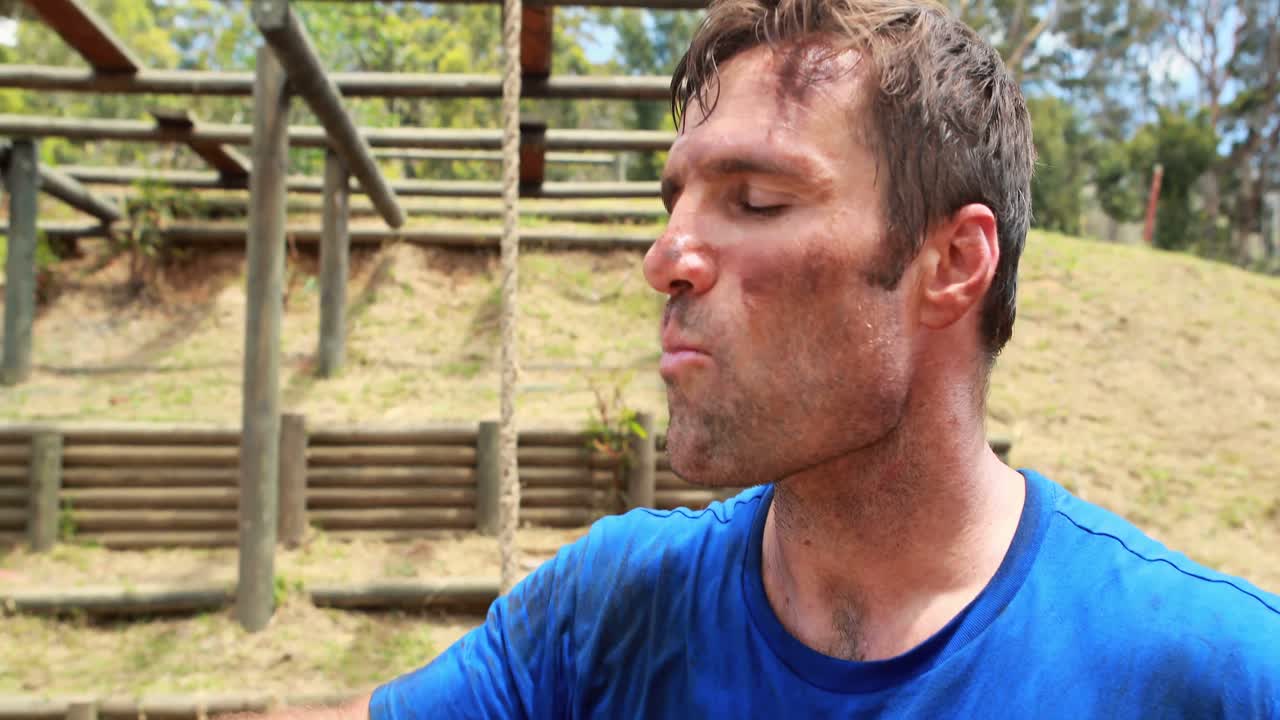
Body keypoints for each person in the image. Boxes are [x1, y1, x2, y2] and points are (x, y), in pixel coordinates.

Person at [268, 0, 1280, 717]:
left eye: (755, 201)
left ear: (951, 264)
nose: (665, 256)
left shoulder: (1214, 674)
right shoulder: (606, 616)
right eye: (674, 202)